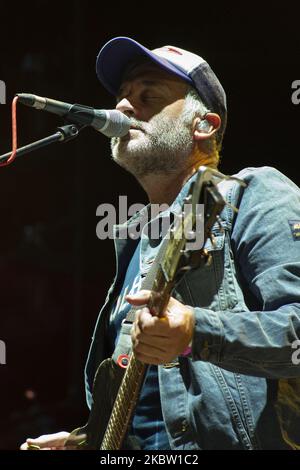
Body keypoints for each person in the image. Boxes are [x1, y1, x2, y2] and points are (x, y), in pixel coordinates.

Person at [21, 37, 300, 451]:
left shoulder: (254, 193)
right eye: (121, 97)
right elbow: (150, 399)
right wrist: (88, 441)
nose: (122, 108)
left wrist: (195, 331)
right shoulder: (134, 242)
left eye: (147, 94)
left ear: (204, 124)